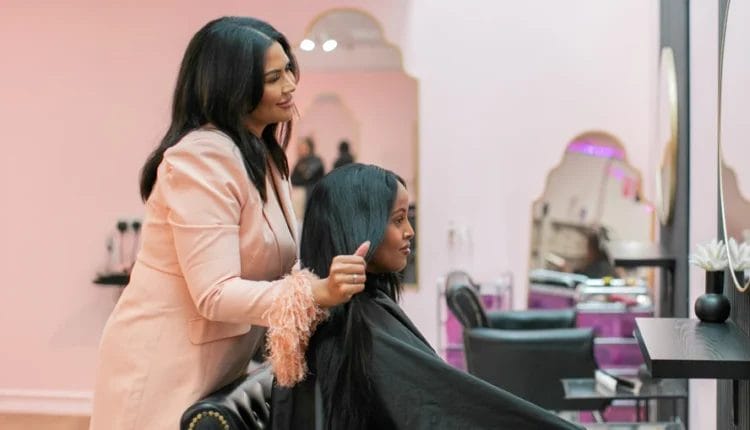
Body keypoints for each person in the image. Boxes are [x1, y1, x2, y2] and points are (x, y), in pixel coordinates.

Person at [90, 17, 369, 429]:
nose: (291, 85)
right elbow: (215, 293)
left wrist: (329, 281)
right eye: (274, 78)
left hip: (218, 364)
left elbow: (279, 266)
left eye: (289, 70)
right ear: (232, 87)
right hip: (162, 367)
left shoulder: (266, 158)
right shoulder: (201, 157)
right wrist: (314, 293)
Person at [272, 164, 582, 430]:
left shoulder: (368, 310)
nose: (410, 231)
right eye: (397, 220)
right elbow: (440, 407)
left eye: (407, 218)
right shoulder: (353, 327)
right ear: (359, 226)